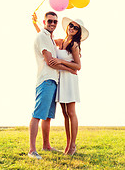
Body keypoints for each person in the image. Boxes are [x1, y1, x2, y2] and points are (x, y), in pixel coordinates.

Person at [32, 13, 89, 156]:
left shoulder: (74, 44)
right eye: (71, 25)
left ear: (78, 32)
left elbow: (78, 66)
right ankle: (68, 143)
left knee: (71, 112)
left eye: (76, 28)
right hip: (60, 79)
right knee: (64, 114)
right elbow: (44, 39)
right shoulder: (61, 41)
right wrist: (35, 23)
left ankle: (72, 145)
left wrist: (61, 62)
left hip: (69, 79)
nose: (72, 28)